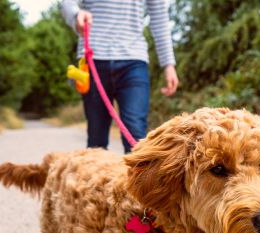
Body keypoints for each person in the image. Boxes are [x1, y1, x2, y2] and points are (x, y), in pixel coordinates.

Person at [61, 0, 179, 153]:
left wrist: (169, 64)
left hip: (134, 60)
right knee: (96, 138)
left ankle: (135, 176)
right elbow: (67, 3)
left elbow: (159, 17)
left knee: (135, 133)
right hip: (94, 58)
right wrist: (76, 14)